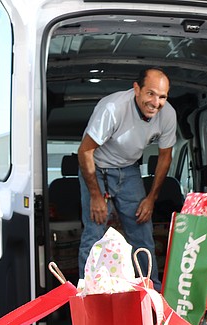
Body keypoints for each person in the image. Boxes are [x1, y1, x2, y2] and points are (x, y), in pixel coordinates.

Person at [77, 67, 176, 286]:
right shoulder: (113, 108)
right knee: (94, 235)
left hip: (130, 170)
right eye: (150, 93)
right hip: (97, 168)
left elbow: (165, 157)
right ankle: (86, 294)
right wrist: (96, 195)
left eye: (162, 96)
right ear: (136, 89)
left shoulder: (167, 114)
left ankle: (150, 294)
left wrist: (151, 198)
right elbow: (84, 151)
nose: (156, 102)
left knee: (142, 233)